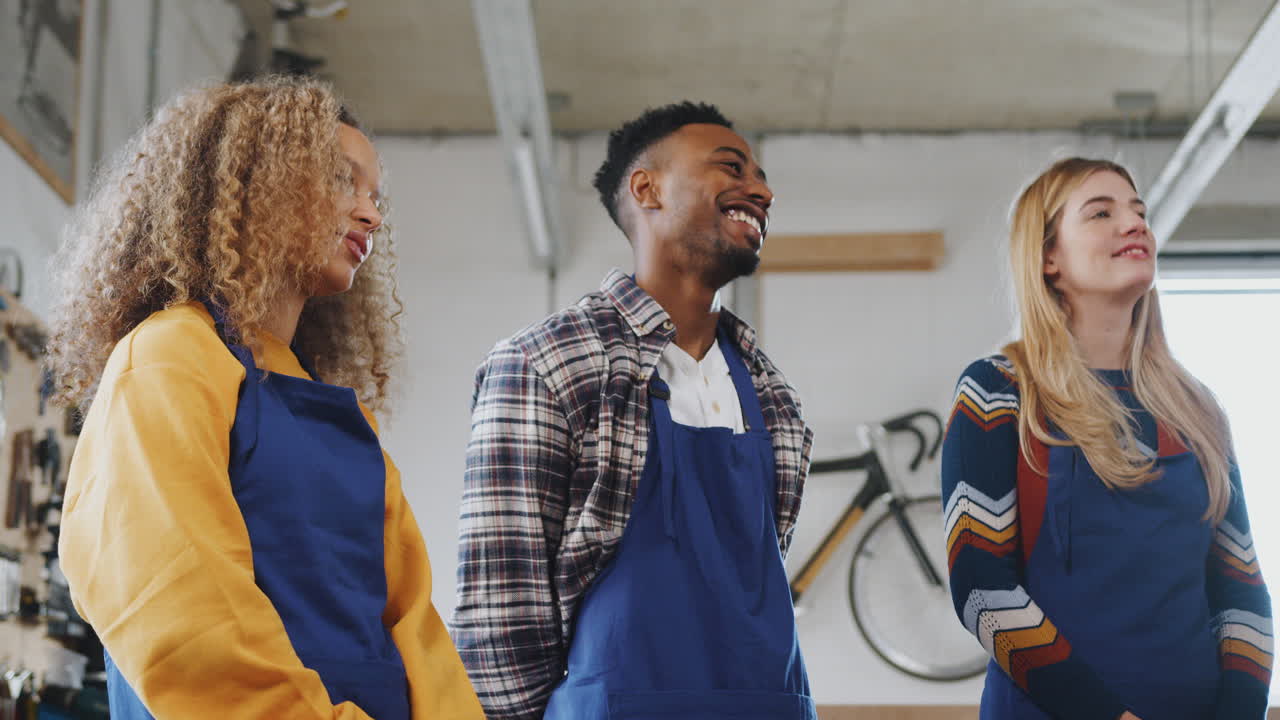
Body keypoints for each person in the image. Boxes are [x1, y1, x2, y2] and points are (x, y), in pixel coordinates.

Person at [47, 76, 483, 720]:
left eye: (374, 195)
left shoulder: (333, 406)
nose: (371, 214)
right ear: (256, 184)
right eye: (342, 180)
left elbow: (411, 618)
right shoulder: (169, 356)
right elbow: (176, 603)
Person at [451, 101, 817, 719]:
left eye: (759, 175)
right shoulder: (547, 362)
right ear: (647, 188)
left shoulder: (772, 392)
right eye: (732, 167)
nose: (761, 190)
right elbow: (500, 618)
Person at [942, 157, 1273, 719]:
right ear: (1049, 258)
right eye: (1102, 212)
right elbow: (982, 589)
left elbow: (1241, 592)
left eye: (1139, 212)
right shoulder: (998, 392)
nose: (1134, 223)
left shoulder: (1198, 411)